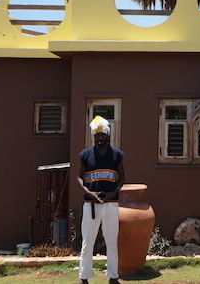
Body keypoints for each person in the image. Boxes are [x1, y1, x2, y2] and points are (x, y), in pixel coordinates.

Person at [78, 116, 126, 284]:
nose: (100, 138)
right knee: (87, 242)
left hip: (111, 204)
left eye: (102, 135)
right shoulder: (85, 155)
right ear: (94, 136)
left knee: (111, 242)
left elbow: (122, 177)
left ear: (107, 136)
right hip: (90, 204)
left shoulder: (117, 155)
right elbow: (79, 177)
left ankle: (113, 277)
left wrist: (113, 193)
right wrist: (90, 193)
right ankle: (84, 277)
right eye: (97, 135)